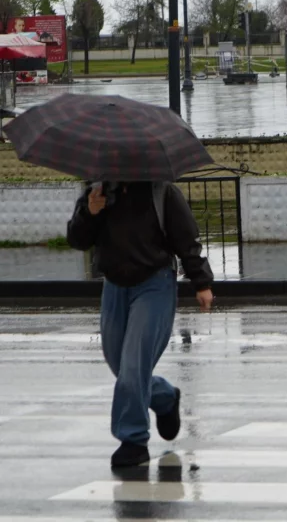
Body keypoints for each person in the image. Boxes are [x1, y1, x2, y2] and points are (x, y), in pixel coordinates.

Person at [66, 181, 215, 468]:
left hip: (154, 284)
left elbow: (187, 239)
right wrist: (89, 213)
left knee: (134, 363)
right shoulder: (98, 192)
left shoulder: (162, 192)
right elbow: (77, 240)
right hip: (114, 286)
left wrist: (201, 282)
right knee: (120, 364)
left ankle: (133, 440)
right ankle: (164, 397)